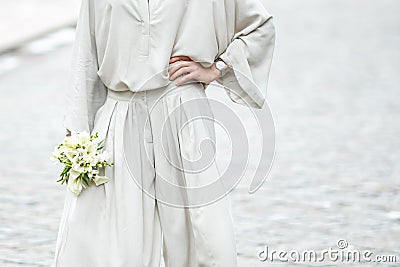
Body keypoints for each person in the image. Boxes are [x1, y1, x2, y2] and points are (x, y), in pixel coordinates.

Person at [52, 0, 275, 266]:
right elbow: (86, 56)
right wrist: (77, 134)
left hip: (182, 109)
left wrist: (216, 69)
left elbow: (259, 26)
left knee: (199, 233)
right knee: (112, 232)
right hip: (120, 114)